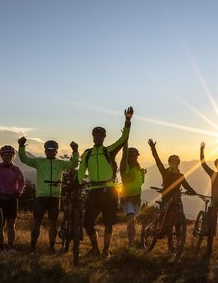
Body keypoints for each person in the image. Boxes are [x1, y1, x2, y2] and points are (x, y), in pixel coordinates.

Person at [78, 107, 134, 258]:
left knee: (108, 224)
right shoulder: (87, 153)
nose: (97, 137)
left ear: (104, 137)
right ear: (93, 137)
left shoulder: (108, 150)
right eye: (95, 135)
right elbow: (81, 170)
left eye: (100, 135)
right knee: (87, 223)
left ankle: (106, 250)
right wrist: (78, 182)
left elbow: (123, 139)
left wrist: (127, 121)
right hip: (94, 191)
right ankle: (95, 248)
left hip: (109, 191)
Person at [18, 137, 79, 252]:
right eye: (48, 150)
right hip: (41, 197)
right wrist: (21, 146)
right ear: (45, 151)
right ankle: (32, 247)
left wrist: (75, 151)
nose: (51, 152)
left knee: (53, 223)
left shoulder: (60, 163)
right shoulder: (38, 161)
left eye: (53, 150)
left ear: (56, 151)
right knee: (37, 223)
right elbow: (24, 159)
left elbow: (74, 164)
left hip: (55, 197)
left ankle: (51, 247)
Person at [148, 138, 198, 253]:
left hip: (176, 199)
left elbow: (186, 186)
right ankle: (158, 230)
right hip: (166, 199)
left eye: (176, 162)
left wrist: (193, 191)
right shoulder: (164, 172)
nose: (174, 163)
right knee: (164, 220)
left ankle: (177, 244)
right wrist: (153, 148)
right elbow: (158, 161)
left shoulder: (180, 175)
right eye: (172, 161)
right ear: (169, 162)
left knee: (179, 222)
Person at [0, 127, 25, 251]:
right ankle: (1, 247)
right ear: (1, 156)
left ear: (13, 156)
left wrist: (18, 192)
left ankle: (11, 246)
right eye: (5, 155)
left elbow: (22, 182)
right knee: (0, 225)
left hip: (12, 199)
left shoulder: (16, 169)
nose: (7, 157)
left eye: (10, 155)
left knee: (11, 225)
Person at [200, 142, 218, 256]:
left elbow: (203, 163)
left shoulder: (213, 173)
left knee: (213, 223)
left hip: (215, 201)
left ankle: (210, 246)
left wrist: (202, 150)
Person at [119, 137, 145, 250]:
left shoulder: (138, 169)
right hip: (126, 198)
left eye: (135, 156)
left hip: (136, 199)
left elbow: (141, 183)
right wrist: (125, 140)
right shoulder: (125, 168)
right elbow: (124, 155)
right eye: (132, 155)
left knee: (133, 220)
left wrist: (142, 173)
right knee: (131, 219)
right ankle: (131, 245)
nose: (134, 157)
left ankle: (133, 242)